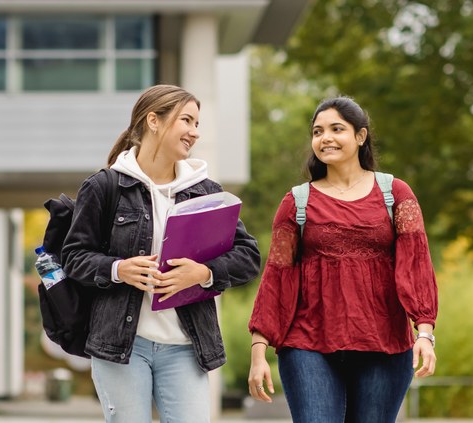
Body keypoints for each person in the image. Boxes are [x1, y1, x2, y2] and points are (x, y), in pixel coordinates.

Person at [61, 84, 261, 423]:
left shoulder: (205, 192)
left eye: (197, 124)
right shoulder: (105, 187)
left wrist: (203, 273)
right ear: (154, 120)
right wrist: (118, 268)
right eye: (187, 121)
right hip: (120, 346)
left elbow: (248, 256)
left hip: (186, 345)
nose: (194, 133)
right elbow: (74, 256)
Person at [247, 97, 438, 422]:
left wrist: (424, 332)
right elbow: (277, 277)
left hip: (384, 345)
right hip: (308, 345)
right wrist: (258, 350)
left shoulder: (396, 194)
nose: (326, 138)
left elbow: (417, 265)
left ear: (360, 136)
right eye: (318, 131)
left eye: (337, 129)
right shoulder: (297, 203)